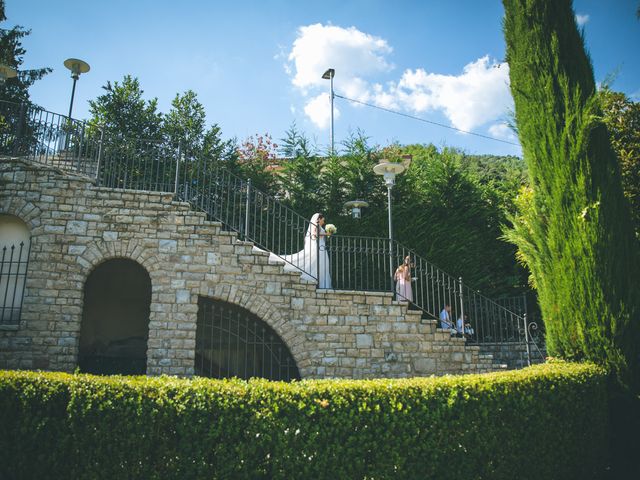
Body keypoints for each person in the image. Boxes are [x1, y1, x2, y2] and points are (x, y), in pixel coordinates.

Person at [266, 213, 333, 289]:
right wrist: (326, 234)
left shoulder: (319, 226)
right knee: (318, 263)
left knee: (321, 265)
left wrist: (326, 234)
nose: (323, 222)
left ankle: (321, 284)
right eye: (323, 220)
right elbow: (315, 234)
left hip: (321, 247)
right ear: (319, 219)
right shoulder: (316, 226)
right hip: (318, 248)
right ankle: (319, 282)